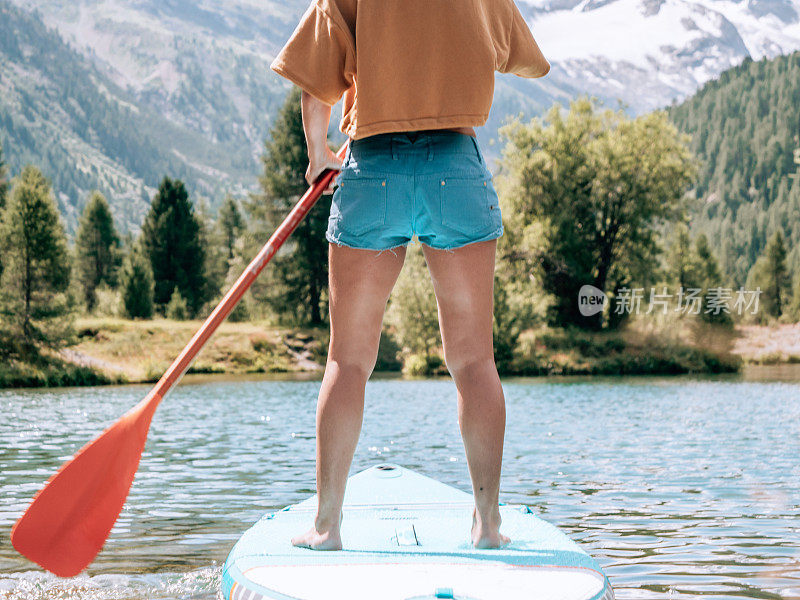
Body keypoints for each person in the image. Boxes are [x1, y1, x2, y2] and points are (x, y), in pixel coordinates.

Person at [270, 0, 549, 550]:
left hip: (373, 168)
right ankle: (488, 525)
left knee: (347, 362)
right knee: (474, 361)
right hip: (455, 167)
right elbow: (530, 63)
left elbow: (314, 82)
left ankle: (327, 527)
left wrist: (319, 153)